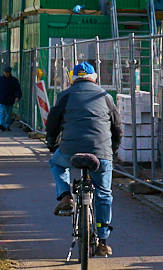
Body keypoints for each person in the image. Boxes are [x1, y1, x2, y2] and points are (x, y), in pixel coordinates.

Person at [45, 61, 122, 256]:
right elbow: (117, 127)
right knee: (103, 193)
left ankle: (66, 196)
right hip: (101, 153)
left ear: (73, 78)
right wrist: (112, 149)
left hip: (71, 151)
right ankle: (103, 240)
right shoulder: (105, 97)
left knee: (56, 163)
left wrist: (51, 143)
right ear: (95, 78)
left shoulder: (65, 96)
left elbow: (53, 122)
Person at [0, 67, 22, 131]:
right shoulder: (0, 80)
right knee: (3, 112)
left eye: (7, 72)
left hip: (10, 99)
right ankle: (2, 125)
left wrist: (17, 96)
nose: (6, 73)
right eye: (5, 72)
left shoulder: (14, 81)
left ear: (10, 72)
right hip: (2, 99)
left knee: (9, 114)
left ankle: (7, 125)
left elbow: (18, 89)